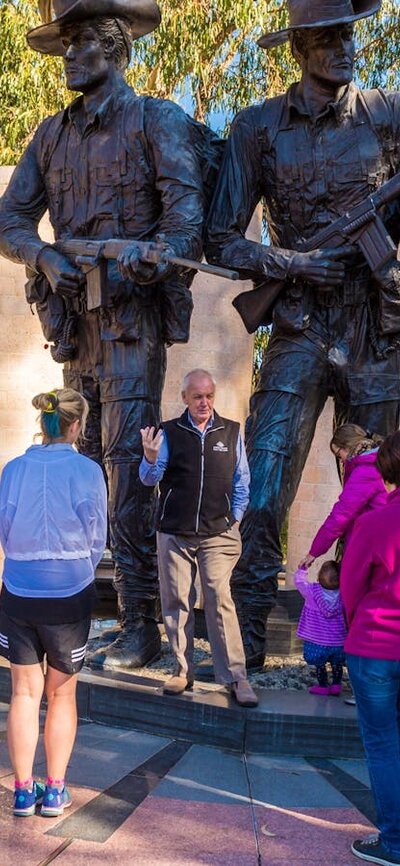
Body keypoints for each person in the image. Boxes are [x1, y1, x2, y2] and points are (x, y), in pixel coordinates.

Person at [0, 0, 204, 670]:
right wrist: (46, 256)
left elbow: (185, 218)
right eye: (65, 44)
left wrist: (153, 252)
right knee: (76, 466)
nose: (69, 55)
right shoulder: (50, 135)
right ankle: (83, 611)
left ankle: (143, 622)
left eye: (82, 42)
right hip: (72, 318)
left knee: (125, 466)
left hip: (129, 319)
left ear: (114, 49)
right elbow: (11, 222)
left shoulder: (155, 120)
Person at [205, 0, 400, 671]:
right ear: (298, 49)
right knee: (264, 489)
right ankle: (246, 639)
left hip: (377, 333)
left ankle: (361, 647)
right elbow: (220, 237)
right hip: (296, 326)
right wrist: (289, 262)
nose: (343, 47)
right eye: (326, 37)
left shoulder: (389, 114)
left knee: (373, 498)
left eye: (347, 33)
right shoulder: (258, 128)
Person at [0, 388, 107, 818]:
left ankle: (24, 791)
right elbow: (97, 534)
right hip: (69, 592)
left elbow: (5, 529)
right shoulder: (87, 470)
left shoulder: (14, 469)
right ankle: (56, 789)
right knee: (62, 696)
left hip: (19, 588)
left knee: (24, 694)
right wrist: (79, 566)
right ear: (76, 425)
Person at [139, 368, 258, 707]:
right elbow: (149, 480)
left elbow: (241, 481)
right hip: (175, 533)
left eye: (209, 396)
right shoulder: (168, 432)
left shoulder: (231, 431)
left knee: (219, 598)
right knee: (176, 600)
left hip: (218, 534)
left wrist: (233, 519)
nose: (204, 403)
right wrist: (149, 459)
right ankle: (182, 669)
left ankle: (237, 677)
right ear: (185, 399)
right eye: (197, 397)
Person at [340, 431, 400, 866]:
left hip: (376, 645)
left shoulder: (376, 522)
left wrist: (357, 626)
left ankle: (395, 842)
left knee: (382, 744)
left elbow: (351, 587)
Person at [300, 424, 387, 570]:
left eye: (338, 454)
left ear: (346, 446)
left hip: (371, 544)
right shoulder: (380, 459)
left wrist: (314, 552)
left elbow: (340, 515)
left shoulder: (365, 470)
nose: (340, 460)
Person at [294, 560, 347, 696]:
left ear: (318, 577)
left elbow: (299, 582)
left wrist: (302, 570)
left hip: (317, 641)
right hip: (338, 641)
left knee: (320, 664)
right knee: (337, 664)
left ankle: (323, 685)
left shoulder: (311, 592)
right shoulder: (344, 595)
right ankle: (336, 685)